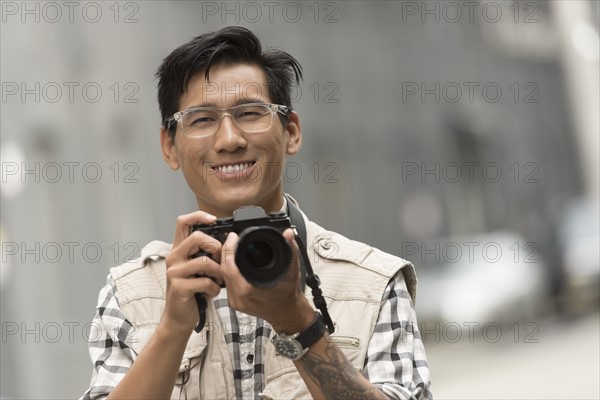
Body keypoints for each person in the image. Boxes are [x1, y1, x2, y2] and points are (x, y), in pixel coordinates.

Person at [81, 26, 432, 400]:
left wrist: (298, 322)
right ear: (169, 146)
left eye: (250, 113)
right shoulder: (132, 294)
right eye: (201, 119)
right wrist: (171, 327)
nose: (230, 139)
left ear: (291, 132)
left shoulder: (372, 284)